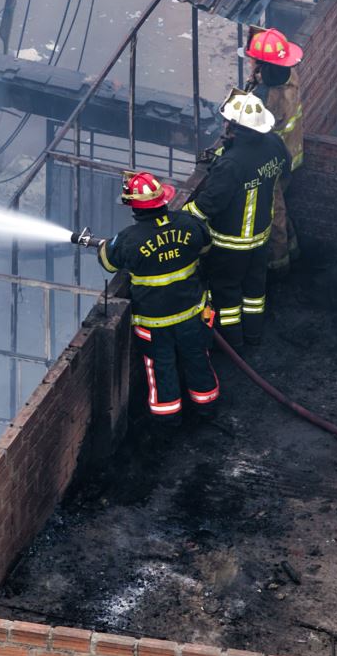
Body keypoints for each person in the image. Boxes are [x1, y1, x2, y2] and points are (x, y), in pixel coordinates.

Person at [75, 171, 218, 424]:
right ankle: (206, 408)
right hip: (193, 315)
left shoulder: (129, 239)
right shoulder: (189, 223)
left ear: (134, 208)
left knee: (161, 368)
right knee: (197, 358)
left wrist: (106, 244)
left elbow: (108, 262)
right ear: (163, 199)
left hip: (155, 323)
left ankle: (167, 422)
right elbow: (205, 246)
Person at [184, 91, 290, 346]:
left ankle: (232, 344)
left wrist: (181, 217)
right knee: (254, 291)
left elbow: (211, 203)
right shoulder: (274, 144)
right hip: (261, 235)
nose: (224, 126)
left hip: (231, 243)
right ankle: (253, 335)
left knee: (226, 292)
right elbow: (284, 168)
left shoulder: (232, 164)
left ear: (237, 128)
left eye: (228, 122)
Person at [245, 27, 304, 273]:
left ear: (262, 66)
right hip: (291, 154)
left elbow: (248, 132)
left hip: (273, 163)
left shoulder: (265, 97)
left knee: (274, 212)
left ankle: (280, 266)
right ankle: (293, 249)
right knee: (283, 207)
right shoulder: (289, 75)